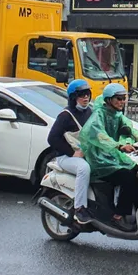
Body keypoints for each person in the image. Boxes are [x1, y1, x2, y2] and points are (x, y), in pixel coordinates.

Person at [79, 83, 138, 230]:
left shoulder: (117, 114)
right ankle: (118, 216)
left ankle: (137, 211)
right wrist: (119, 146)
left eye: (124, 98)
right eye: (118, 99)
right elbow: (98, 135)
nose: (122, 102)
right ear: (109, 100)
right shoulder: (99, 115)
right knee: (127, 177)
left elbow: (128, 129)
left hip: (112, 156)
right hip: (99, 159)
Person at [47, 79, 95, 224]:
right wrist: (72, 153)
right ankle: (80, 208)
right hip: (65, 158)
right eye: (81, 95)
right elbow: (52, 138)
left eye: (87, 94)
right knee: (83, 168)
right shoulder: (65, 115)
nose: (85, 98)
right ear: (73, 97)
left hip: (85, 154)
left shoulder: (90, 112)